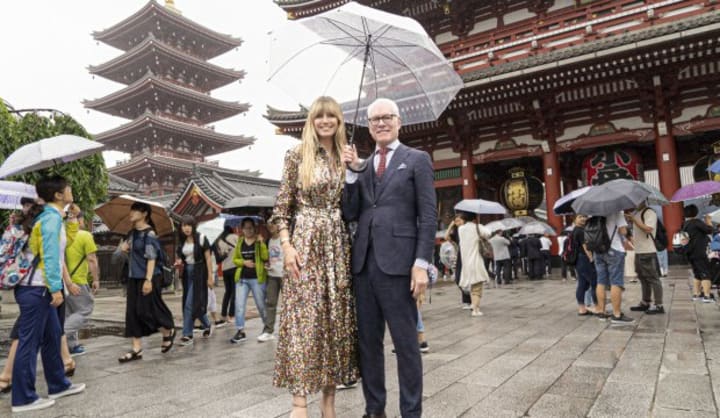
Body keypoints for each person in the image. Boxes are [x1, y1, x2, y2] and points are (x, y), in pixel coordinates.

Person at [343, 97, 437, 418]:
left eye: (387, 117)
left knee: (406, 343)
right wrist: (351, 174)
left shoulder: (417, 159)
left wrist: (421, 263)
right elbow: (350, 212)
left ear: (399, 122)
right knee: (368, 344)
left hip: (400, 265)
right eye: (374, 119)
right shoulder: (363, 165)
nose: (381, 123)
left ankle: (411, 412)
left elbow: (428, 215)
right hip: (364, 266)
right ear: (368, 127)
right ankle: (374, 409)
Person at [272, 96, 359, 418]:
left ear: (339, 121)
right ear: (311, 121)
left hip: (336, 244)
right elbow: (282, 208)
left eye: (331, 116)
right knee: (302, 321)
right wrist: (287, 246)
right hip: (305, 241)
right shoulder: (296, 155)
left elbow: (356, 205)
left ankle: (328, 403)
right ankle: (299, 404)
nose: (325, 121)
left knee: (335, 320)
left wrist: (355, 169)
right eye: (319, 116)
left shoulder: (346, 156)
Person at [12, 176, 85, 412]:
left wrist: (72, 219)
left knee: (53, 336)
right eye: (68, 188)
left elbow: (64, 245)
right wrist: (55, 288)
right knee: (29, 343)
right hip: (37, 288)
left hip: (38, 287)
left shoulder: (52, 217)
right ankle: (23, 398)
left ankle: (58, 384)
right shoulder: (50, 218)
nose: (71, 190)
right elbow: (51, 256)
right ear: (58, 195)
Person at [115, 201, 175, 362]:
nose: (131, 213)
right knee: (132, 312)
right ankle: (136, 348)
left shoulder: (149, 234)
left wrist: (148, 280)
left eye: (135, 210)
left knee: (146, 310)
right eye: (131, 210)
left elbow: (151, 258)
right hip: (133, 277)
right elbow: (125, 257)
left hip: (149, 277)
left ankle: (167, 330)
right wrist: (123, 250)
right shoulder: (131, 234)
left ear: (144, 214)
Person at [64, 206, 100, 355]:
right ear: (79, 220)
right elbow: (92, 259)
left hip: (63, 281)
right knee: (85, 309)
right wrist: (96, 279)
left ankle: (71, 346)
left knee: (69, 313)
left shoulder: (62, 235)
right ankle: (60, 336)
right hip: (77, 280)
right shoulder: (85, 235)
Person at [175, 215, 213, 346]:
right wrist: (179, 262)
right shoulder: (182, 241)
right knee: (194, 303)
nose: (186, 228)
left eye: (189, 225)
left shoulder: (201, 238)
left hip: (199, 272)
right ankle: (207, 324)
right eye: (184, 225)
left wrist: (210, 277)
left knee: (189, 304)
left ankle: (187, 334)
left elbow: (208, 258)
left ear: (193, 226)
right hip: (187, 273)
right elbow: (182, 258)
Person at [230, 217, 268, 343]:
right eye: (246, 228)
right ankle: (240, 331)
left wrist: (261, 243)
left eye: (250, 227)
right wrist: (244, 262)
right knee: (239, 305)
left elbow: (265, 257)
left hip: (257, 278)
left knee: (261, 305)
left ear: (254, 228)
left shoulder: (258, 241)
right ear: (242, 229)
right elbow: (235, 260)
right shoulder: (240, 242)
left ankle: (267, 328)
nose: (248, 230)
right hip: (242, 279)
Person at [592, 212, 634, 324]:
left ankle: (601, 312)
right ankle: (617, 314)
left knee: (600, 281)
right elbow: (623, 231)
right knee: (616, 282)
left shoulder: (592, 212)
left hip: (598, 250)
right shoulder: (616, 211)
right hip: (614, 249)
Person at [628, 203, 664, 314]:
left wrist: (634, 220)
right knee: (642, 278)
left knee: (653, 278)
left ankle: (659, 305)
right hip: (638, 251)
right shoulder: (637, 213)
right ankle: (645, 302)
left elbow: (648, 229)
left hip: (648, 251)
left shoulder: (649, 212)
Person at [458, 214, 492, 316]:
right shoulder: (478, 227)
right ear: (475, 218)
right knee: (477, 287)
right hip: (476, 261)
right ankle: (475, 310)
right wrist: (479, 225)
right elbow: (488, 233)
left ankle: (474, 305)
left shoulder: (461, 229)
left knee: (473, 286)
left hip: (466, 262)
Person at [683, 205, 714, 302]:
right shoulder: (696, 222)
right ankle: (707, 296)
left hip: (690, 253)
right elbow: (709, 230)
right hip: (699, 252)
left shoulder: (685, 224)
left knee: (697, 273)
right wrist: (708, 220)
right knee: (705, 273)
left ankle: (696, 294)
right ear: (695, 212)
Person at [259, 222, 283, 342]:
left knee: (288, 304)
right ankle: (268, 331)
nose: (270, 226)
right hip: (272, 275)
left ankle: (288, 330)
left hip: (285, 275)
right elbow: (267, 258)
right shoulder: (268, 241)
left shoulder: (285, 240)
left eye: (273, 223)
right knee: (270, 303)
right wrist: (267, 264)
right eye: (269, 224)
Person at [571, 215, 598, 315]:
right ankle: (597, 307)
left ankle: (582, 309)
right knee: (594, 282)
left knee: (582, 284)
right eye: (580, 217)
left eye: (585, 216)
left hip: (578, 260)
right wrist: (591, 258)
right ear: (575, 219)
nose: (583, 219)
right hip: (584, 259)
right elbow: (585, 247)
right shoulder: (581, 231)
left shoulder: (575, 230)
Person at [213, 222, 238, 326]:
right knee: (234, 293)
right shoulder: (235, 237)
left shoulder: (219, 241)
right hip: (234, 267)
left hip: (224, 269)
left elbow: (219, 257)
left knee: (227, 292)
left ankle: (223, 314)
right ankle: (231, 315)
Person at [446, 214, 471, 309]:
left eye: (459, 220)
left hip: (469, 255)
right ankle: (468, 299)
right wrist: (451, 225)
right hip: (460, 256)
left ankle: (470, 301)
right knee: (458, 279)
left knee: (468, 278)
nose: (458, 223)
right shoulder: (457, 232)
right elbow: (446, 237)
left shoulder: (468, 230)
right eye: (456, 221)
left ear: (464, 220)